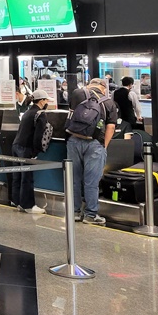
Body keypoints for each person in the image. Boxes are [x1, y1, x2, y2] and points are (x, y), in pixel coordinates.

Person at [68, 78, 117, 225]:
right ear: (103, 87)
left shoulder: (77, 94)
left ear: (90, 84)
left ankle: (75, 212)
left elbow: (70, 116)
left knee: (74, 179)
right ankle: (90, 214)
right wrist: (104, 146)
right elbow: (111, 127)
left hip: (74, 141)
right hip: (95, 143)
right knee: (91, 182)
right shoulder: (108, 102)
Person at [10, 89, 50, 214]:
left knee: (17, 176)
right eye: (46, 100)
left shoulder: (28, 112)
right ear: (42, 101)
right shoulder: (40, 114)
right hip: (26, 148)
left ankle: (17, 201)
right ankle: (28, 205)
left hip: (16, 145)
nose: (47, 102)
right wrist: (35, 152)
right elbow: (38, 136)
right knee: (27, 178)